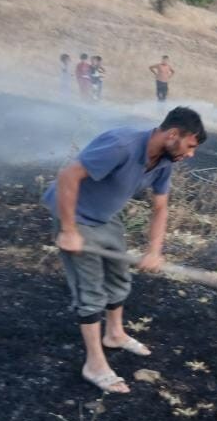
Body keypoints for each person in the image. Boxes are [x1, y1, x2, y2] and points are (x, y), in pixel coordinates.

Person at [43, 107, 207, 394]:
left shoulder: (166, 160)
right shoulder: (121, 145)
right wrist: (69, 231)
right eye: (191, 146)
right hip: (76, 215)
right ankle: (94, 364)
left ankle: (114, 334)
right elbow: (68, 176)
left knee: (119, 278)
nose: (191, 154)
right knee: (90, 291)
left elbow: (160, 206)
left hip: (107, 217)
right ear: (172, 135)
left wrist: (154, 250)